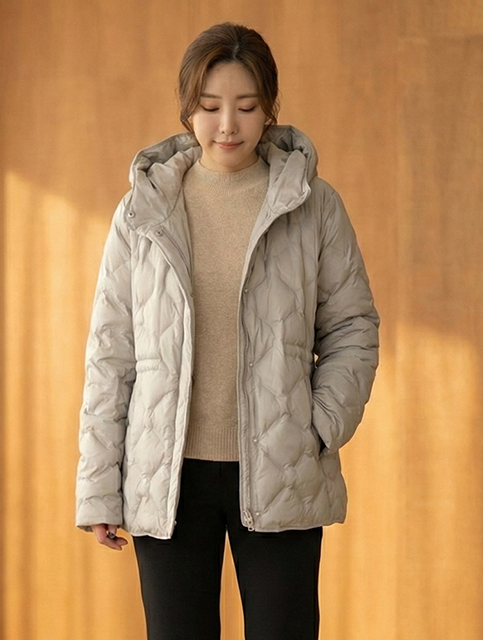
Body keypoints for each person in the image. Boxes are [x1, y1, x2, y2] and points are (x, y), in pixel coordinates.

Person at [76, 22, 379, 640]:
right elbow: (112, 352)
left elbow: (353, 326)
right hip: (169, 478)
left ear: (269, 107)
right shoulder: (143, 210)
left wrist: (317, 428)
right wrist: (99, 488)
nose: (227, 125)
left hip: (280, 469)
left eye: (246, 106)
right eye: (210, 107)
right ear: (188, 108)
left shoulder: (313, 205)